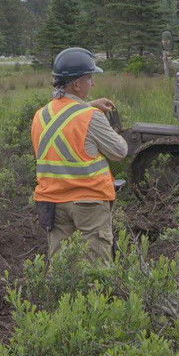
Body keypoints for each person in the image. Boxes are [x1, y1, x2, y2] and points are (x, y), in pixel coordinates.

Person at [32, 47, 128, 262]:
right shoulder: (90, 117)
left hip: (52, 202)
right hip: (89, 201)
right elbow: (120, 151)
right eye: (89, 78)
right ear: (76, 84)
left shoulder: (41, 115)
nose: (92, 83)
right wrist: (108, 127)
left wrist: (87, 106)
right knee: (97, 269)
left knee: (61, 268)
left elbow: (65, 116)